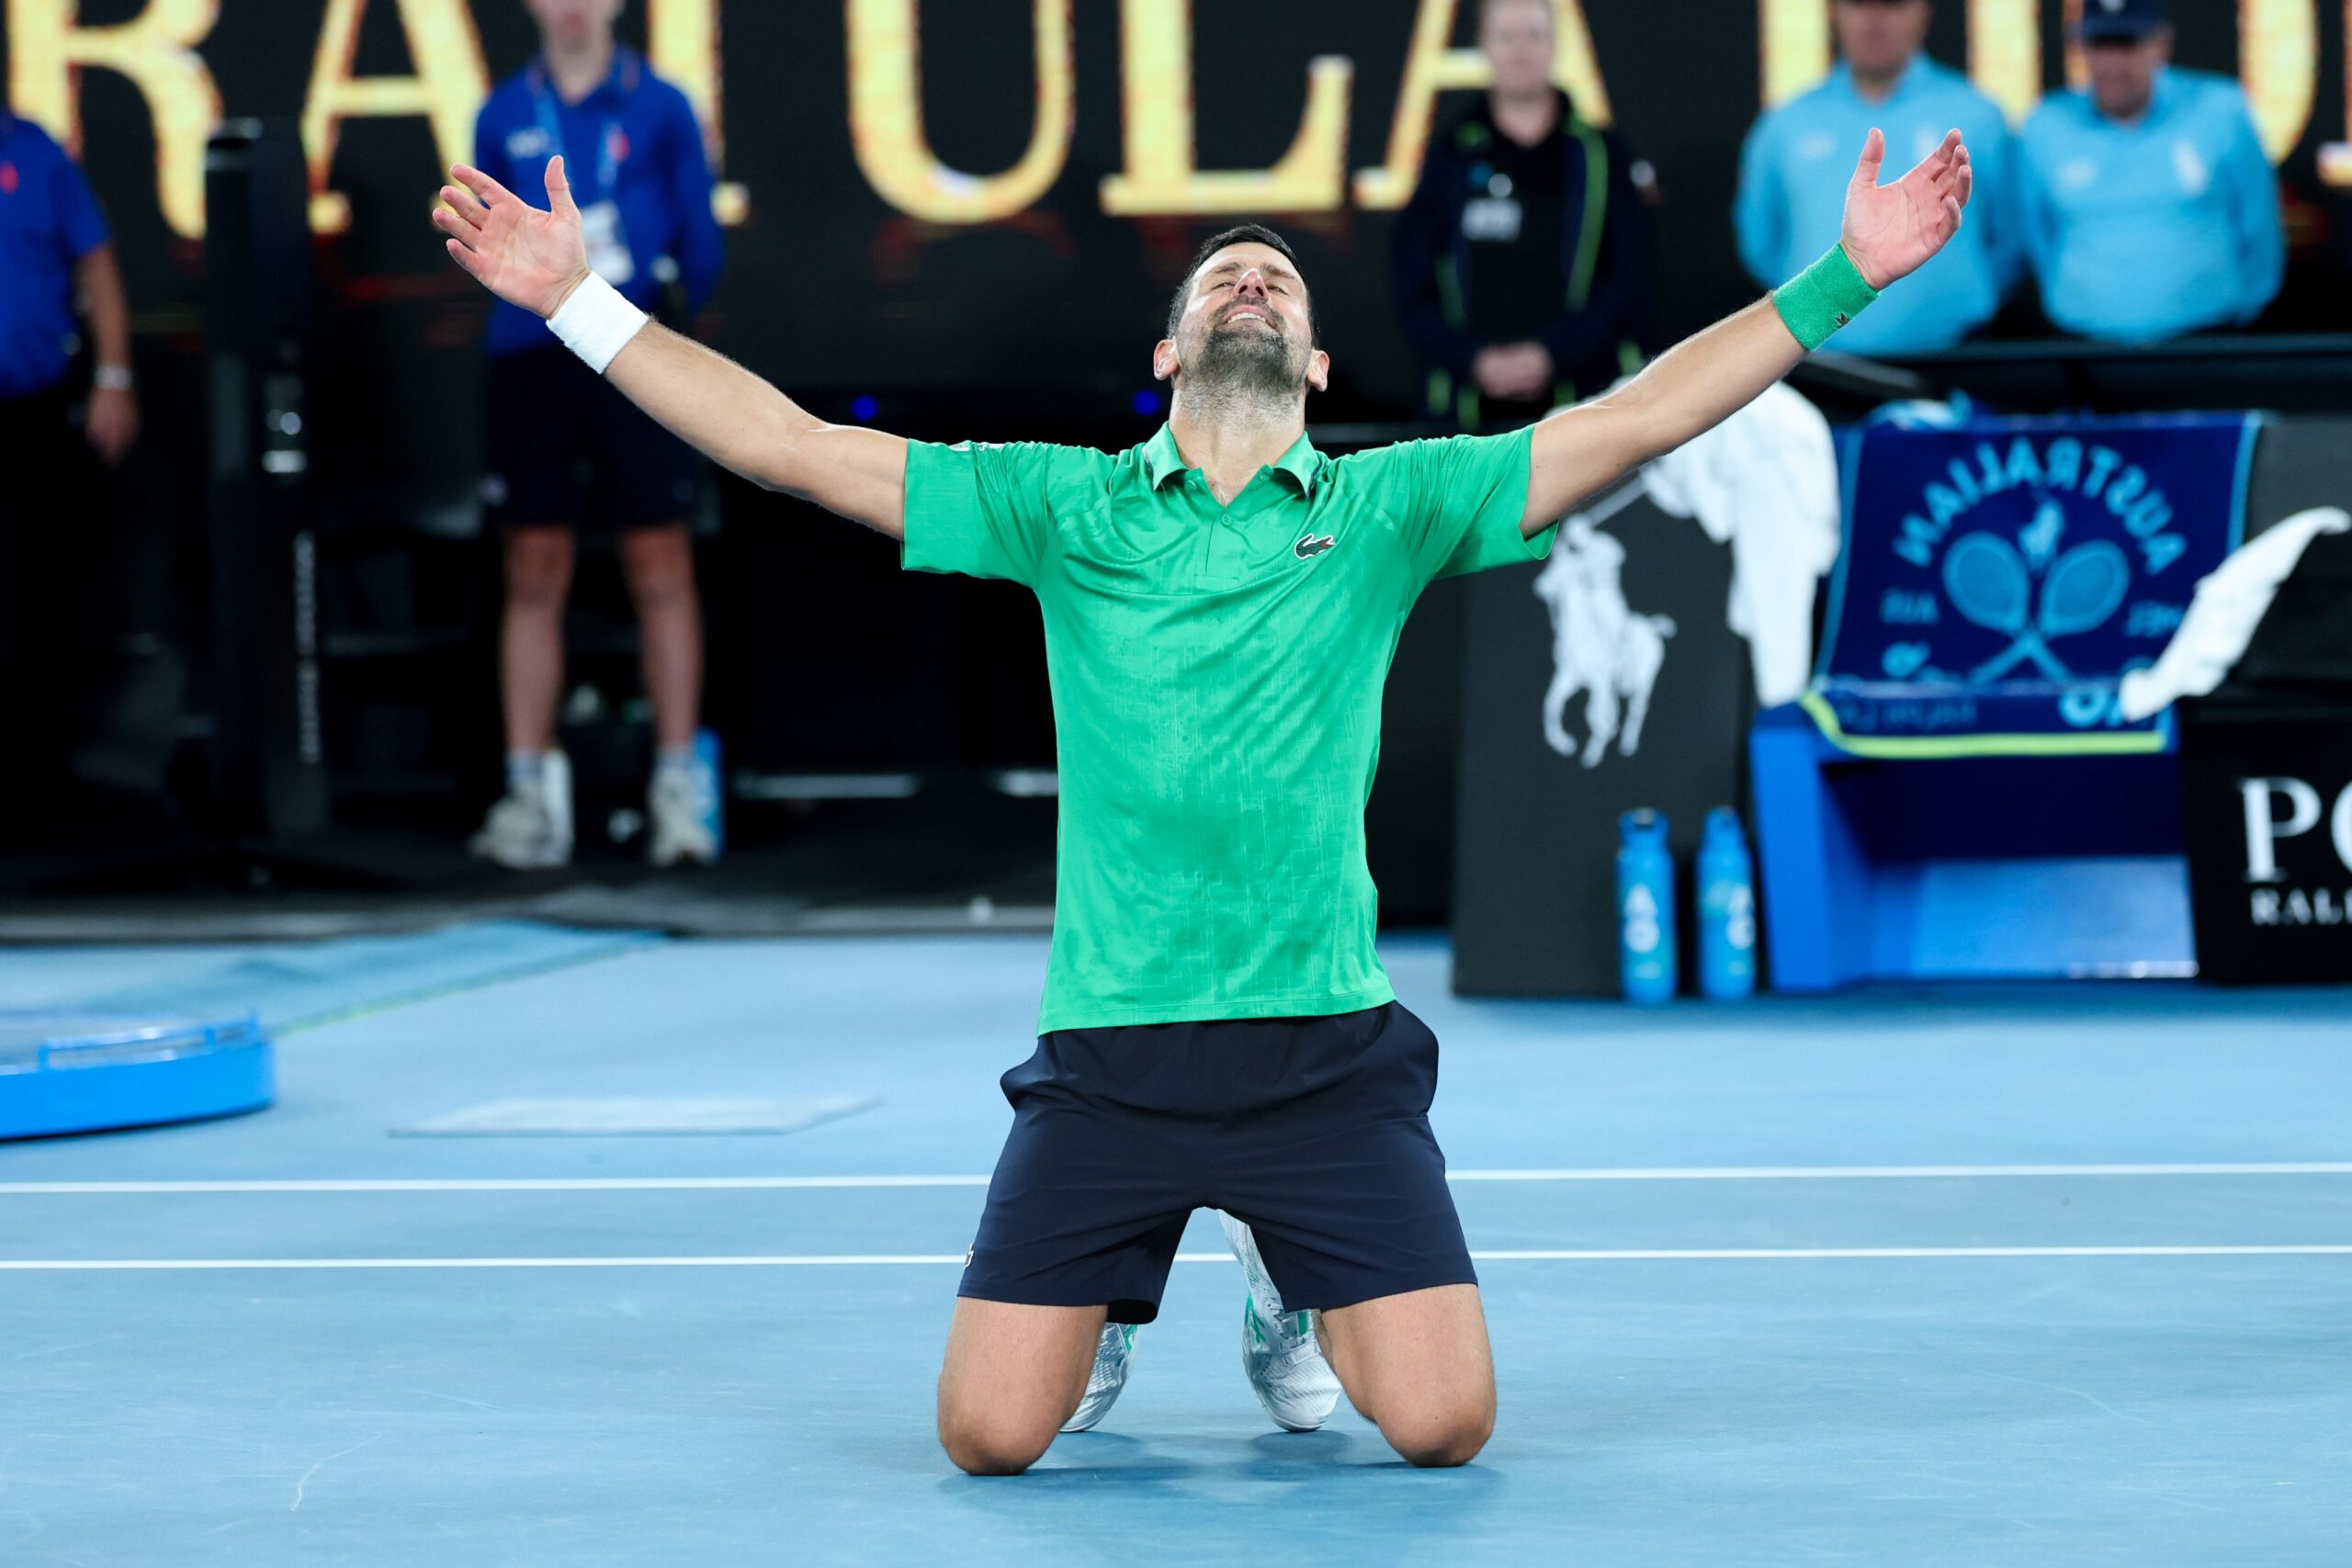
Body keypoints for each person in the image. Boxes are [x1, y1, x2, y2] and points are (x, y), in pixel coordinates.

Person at [432, 117, 1973, 1472]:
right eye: (1220, 278)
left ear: (1314, 363)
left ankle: (1282, 1267)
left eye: (1279, 285)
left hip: (1324, 1055)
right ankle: (1112, 1283)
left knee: (1443, 1426)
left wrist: (1845, 277)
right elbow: (785, 447)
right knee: (987, 1437)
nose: (1252, 282)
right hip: (1111, 1054)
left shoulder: (1391, 503)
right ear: (1167, 355)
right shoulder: (1062, 503)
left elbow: (1631, 421)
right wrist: (575, 296)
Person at [467, 0, 725, 870]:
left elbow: (703, 244)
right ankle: (530, 793)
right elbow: (481, 239)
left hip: (634, 346)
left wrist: (661, 312)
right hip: (532, 361)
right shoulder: (504, 113)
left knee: (662, 559)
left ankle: (680, 790)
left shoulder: (660, 107)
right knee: (533, 565)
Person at [1393, 0, 1651, 427]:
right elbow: (1411, 283)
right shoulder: (1452, 153)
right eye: (1506, 36)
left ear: (1555, 45)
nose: (1520, 50)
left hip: (1586, 411)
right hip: (1465, 420)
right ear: (1484, 46)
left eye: (1533, 34)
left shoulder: (1602, 155)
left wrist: (1552, 353)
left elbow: (1630, 280)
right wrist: (1474, 358)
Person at [0, 98, 139, 825]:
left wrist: (113, 375)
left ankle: (31, 789)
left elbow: (97, 260)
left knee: (36, 594)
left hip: (30, 416)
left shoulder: (37, 152)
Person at [1736, 0, 2019, 355]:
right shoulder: (1784, 124)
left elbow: (2012, 239)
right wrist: (1818, 308)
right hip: (1819, 366)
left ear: (1924, 13)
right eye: (1858, 4)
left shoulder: (1979, 117)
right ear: (1834, 12)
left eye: (1892, 4)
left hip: (1954, 360)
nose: (1873, 20)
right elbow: (1761, 242)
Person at [2019, 0, 2284, 343]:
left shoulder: (2220, 111)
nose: (2113, 63)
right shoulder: (2046, 125)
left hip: (2205, 340)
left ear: (2162, 44)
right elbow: (2034, 236)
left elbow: (2260, 227)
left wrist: (2238, 317)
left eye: (2128, 44)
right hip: (2085, 349)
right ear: (2080, 47)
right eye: (2100, 45)